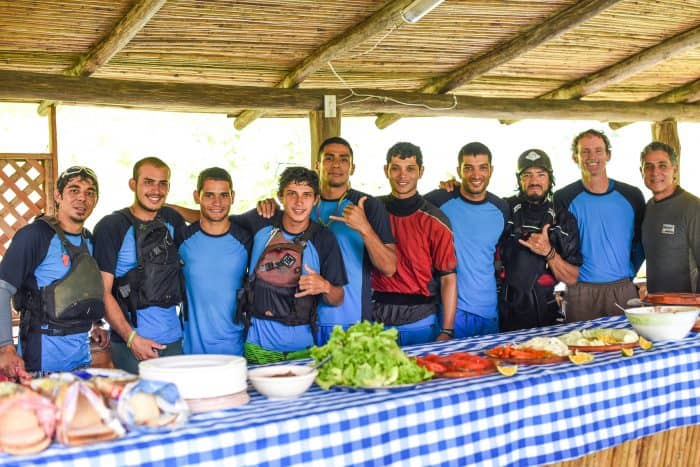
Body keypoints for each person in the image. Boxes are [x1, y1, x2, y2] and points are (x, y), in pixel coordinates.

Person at [256, 137, 396, 345]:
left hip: (351, 319)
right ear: (317, 165)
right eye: (329, 158)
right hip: (300, 323)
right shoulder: (299, 203)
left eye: (343, 159)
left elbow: (389, 267)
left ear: (352, 167)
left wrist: (364, 228)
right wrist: (266, 205)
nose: (336, 165)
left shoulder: (367, 205)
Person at [0, 166, 107, 377]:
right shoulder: (35, 236)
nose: (82, 198)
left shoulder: (89, 241)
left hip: (81, 361)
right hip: (41, 364)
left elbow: (85, 289)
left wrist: (97, 323)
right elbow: (2, 289)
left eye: (89, 192)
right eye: (74, 190)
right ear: (58, 196)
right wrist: (5, 347)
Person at [239, 166, 346, 364]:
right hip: (258, 347)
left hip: (303, 350)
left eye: (306, 195)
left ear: (315, 200)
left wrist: (325, 286)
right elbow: (214, 219)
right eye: (292, 194)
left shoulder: (324, 238)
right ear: (280, 196)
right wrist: (168, 210)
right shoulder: (259, 222)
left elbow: (338, 297)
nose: (299, 202)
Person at [93, 157, 186, 374]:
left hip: (174, 342)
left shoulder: (172, 220)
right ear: (133, 184)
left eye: (163, 183)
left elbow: (207, 220)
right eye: (149, 182)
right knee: (139, 406)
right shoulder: (112, 226)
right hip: (132, 345)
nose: (156, 189)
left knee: (176, 405)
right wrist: (131, 338)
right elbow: (102, 292)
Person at [371, 142, 457, 345]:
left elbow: (448, 278)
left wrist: (447, 330)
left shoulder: (436, 220)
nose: (403, 176)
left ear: (421, 172)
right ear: (386, 171)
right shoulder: (372, 211)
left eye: (410, 169)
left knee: (420, 377)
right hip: (375, 320)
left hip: (420, 321)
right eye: (396, 168)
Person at [554, 129, 645, 322]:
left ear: (608, 155)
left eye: (598, 150)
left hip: (623, 290)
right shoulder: (563, 197)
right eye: (585, 151)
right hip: (581, 292)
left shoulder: (632, 195)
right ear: (575, 158)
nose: (592, 157)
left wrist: (628, 273)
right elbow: (561, 245)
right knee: (580, 348)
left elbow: (641, 241)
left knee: (627, 348)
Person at [425, 142, 508, 337]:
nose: (476, 175)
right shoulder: (438, 201)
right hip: (451, 312)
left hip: (489, 311)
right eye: (468, 168)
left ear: (491, 170)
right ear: (458, 170)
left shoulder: (502, 209)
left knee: (489, 367)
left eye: (482, 167)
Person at [498, 149, 582, 331]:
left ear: (550, 178)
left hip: (547, 313)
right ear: (518, 179)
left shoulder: (563, 220)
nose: (534, 181)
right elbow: (473, 199)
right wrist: (452, 188)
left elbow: (573, 278)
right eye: (527, 175)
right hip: (503, 312)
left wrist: (549, 253)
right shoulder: (503, 210)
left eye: (540, 175)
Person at [176, 167, 251, 355]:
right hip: (191, 350)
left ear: (232, 196)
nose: (217, 202)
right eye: (209, 195)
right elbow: (156, 209)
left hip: (236, 350)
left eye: (223, 195)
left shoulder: (246, 239)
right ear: (196, 196)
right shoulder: (182, 238)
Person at [639, 141, 700, 294]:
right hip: (658, 307)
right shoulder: (648, 207)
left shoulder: (693, 207)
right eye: (649, 166)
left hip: (688, 310)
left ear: (675, 169)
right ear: (641, 171)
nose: (655, 172)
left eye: (662, 165)